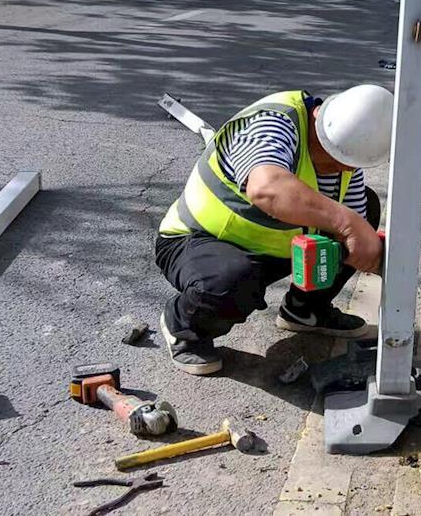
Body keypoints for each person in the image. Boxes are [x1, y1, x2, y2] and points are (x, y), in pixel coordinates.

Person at [155, 85, 394, 375]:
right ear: (322, 132)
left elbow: (355, 225)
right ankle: (183, 326)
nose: (345, 171)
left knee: (364, 212)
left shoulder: (345, 151)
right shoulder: (273, 124)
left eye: (351, 166)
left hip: (269, 249)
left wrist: (376, 257)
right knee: (233, 281)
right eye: (340, 162)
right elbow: (266, 188)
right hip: (200, 241)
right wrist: (347, 223)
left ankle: (304, 310)